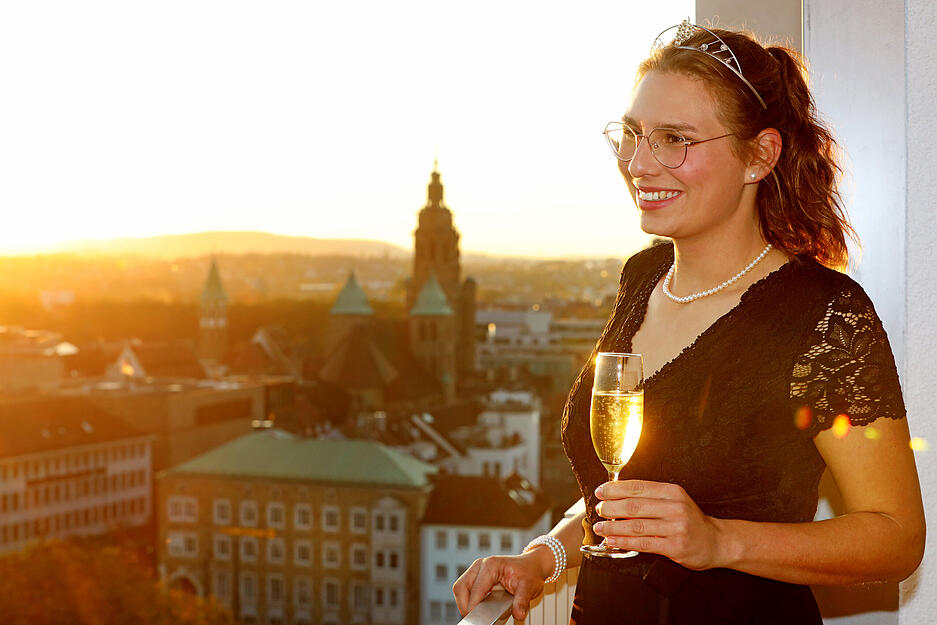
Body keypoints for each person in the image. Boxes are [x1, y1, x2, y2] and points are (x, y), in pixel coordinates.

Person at [452, 21, 925, 625]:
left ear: (760, 155)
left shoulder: (824, 315)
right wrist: (544, 556)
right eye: (633, 134)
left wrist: (719, 541)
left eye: (673, 138)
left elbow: (897, 537)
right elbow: (626, 490)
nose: (637, 163)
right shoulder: (642, 278)